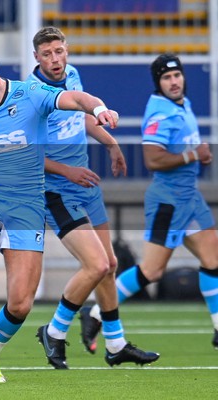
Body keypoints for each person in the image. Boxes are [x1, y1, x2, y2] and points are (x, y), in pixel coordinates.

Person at [0, 49, 119, 383]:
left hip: (27, 202)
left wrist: (99, 108)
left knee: (20, 305)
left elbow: (77, 98)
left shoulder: (32, 95)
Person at [28, 27, 159, 369]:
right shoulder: (31, 95)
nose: (55, 59)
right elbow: (26, 154)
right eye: (47, 54)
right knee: (97, 265)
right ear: (36, 58)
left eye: (59, 51)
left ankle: (115, 344)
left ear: (66, 50)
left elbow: (82, 116)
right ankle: (54, 331)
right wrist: (66, 171)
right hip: (56, 190)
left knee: (111, 265)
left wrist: (112, 144)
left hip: (86, 186)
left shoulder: (72, 75)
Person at [81, 53, 218, 350]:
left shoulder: (182, 104)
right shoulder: (160, 112)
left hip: (190, 197)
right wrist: (195, 155)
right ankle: (93, 313)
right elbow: (152, 158)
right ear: (158, 82)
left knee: (213, 259)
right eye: (167, 78)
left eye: (177, 75)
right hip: (169, 202)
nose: (173, 81)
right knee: (152, 271)